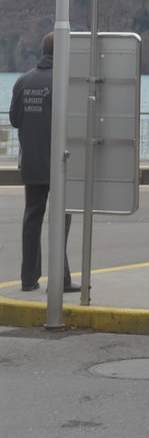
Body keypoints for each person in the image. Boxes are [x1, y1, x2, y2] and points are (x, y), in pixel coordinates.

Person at [10, 32, 77, 293]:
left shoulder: (23, 81)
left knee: (32, 218)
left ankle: (28, 279)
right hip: (59, 164)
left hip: (32, 162)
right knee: (61, 220)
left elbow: (15, 120)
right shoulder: (63, 82)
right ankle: (60, 279)